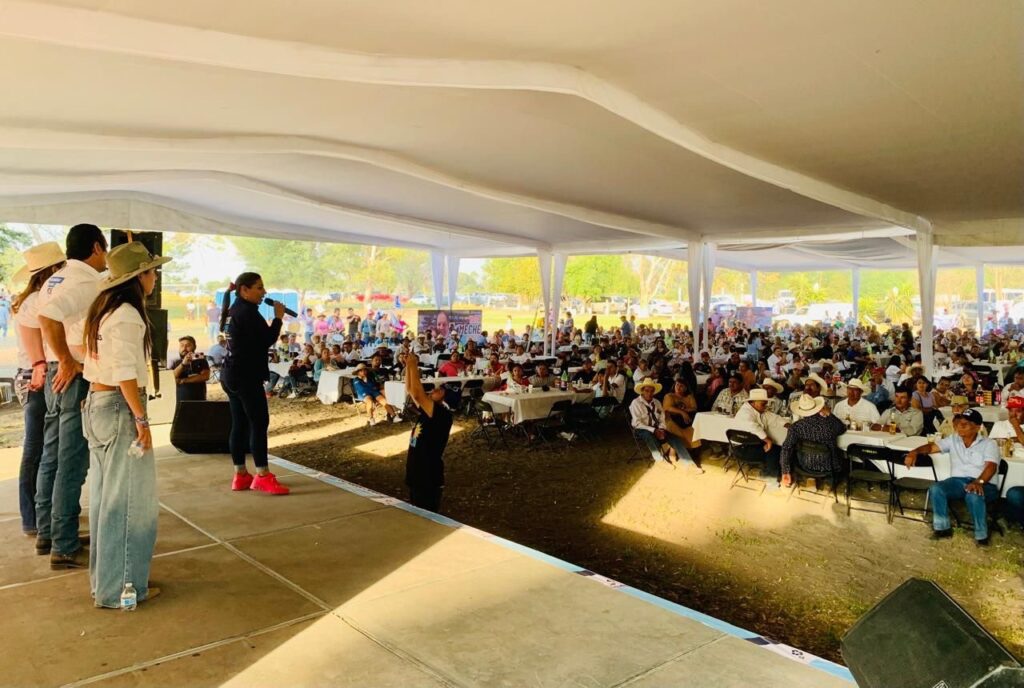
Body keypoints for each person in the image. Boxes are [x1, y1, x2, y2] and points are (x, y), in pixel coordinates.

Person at [81, 242, 169, 607]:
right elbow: (124, 373)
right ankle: (123, 589)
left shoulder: (104, 310)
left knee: (108, 498)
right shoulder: (128, 315)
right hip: (119, 407)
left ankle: (107, 582)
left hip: (99, 404)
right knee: (130, 502)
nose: (154, 278)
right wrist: (141, 418)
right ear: (139, 277)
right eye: (152, 272)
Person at [35, 224, 108, 569]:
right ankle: (63, 544)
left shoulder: (56, 278)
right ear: (97, 247)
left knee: (52, 455)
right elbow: (48, 317)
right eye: (105, 250)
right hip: (72, 374)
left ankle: (49, 532)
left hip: (55, 372)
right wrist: (67, 359)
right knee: (72, 460)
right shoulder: (85, 281)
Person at [12, 242, 66, 540]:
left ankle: (36, 514)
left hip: (31, 375)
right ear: (54, 270)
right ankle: (34, 516)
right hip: (39, 376)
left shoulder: (30, 299)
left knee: (38, 447)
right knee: (38, 448)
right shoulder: (39, 301)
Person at [219, 273, 290, 495]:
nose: (264, 292)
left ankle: (240, 475)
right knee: (259, 423)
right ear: (244, 290)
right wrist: (278, 318)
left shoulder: (233, 311)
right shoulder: (247, 312)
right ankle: (262, 475)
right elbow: (267, 339)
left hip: (230, 373)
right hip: (245, 375)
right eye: (259, 288)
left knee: (239, 424)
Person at [904, 409, 999, 545]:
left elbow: (991, 467)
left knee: (973, 495)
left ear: (977, 427)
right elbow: (931, 447)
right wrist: (915, 451)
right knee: (936, 488)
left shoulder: (989, 443)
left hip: (985, 483)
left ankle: (981, 536)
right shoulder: (953, 439)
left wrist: (979, 482)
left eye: (966, 424)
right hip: (958, 482)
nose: (960, 426)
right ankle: (942, 528)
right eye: (959, 423)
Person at [401, 353, 454, 511]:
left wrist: (413, 364)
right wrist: (409, 365)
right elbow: (411, 390)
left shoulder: (440, 413)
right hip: (417, 470)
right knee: (417, 510)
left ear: (444, 397)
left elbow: (418, 393)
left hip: (428, 474)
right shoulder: (429, 410)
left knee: (426, 513)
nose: (434, 390)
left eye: (439, 390)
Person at [629, 378, 701, 470]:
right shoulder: (636, 403)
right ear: (642, 391)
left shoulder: (657, 402)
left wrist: (661, 429)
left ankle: (689, 464)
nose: (649, 393)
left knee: (675, 438)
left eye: (652, 391)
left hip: (657, 428)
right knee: (648, 434)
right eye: (647, 391)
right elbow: (637, 423)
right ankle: (660, 460)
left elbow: (662, 418)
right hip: (641, 429)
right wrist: (654, 430)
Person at [780, 394, 847, 487]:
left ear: (801, 411)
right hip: (830, 466)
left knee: (791, 449)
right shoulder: (829, 424)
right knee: (844, 455)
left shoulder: (796, 427)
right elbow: (842, 428)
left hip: (805, 465)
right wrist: (829, 414)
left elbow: (786, 448)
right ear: (818, 409)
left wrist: (785, 471)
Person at [734, 389, 782, 484]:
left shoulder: (757, 410)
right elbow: (753, 426)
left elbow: (774, 417)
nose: (765, 406)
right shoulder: (745, 412)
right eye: (763, 404)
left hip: (749, 445)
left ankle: (767, 472)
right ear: (753, 402)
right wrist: (767, 440)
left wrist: (786, 424)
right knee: (775, 449)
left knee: (774, 447)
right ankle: (770, 478)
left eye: (765, 404)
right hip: (742, 449)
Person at [662, 378, 700, 450]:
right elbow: (667, 407)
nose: (678, 387)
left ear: (686, 388)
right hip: (671, 419)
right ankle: (678, 449)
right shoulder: (669, 396)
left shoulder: (689, 397)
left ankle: (692, 448)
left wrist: (684, 411)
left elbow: (694, 408)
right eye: (677, 385)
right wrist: (682, 412)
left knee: (694, 427)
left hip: (687, 420)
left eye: (681, 386)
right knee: (672, 427)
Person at [170, 336, 210, 402]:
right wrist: (183, 364)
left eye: (188, 345)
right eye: (182, 345)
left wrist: (183, 380)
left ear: (194, 347)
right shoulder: (175, 361)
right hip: (178, 401)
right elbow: (171, 378)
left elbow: (205, 376)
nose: (184, 348)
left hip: (198, 400)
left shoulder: (200, 359)